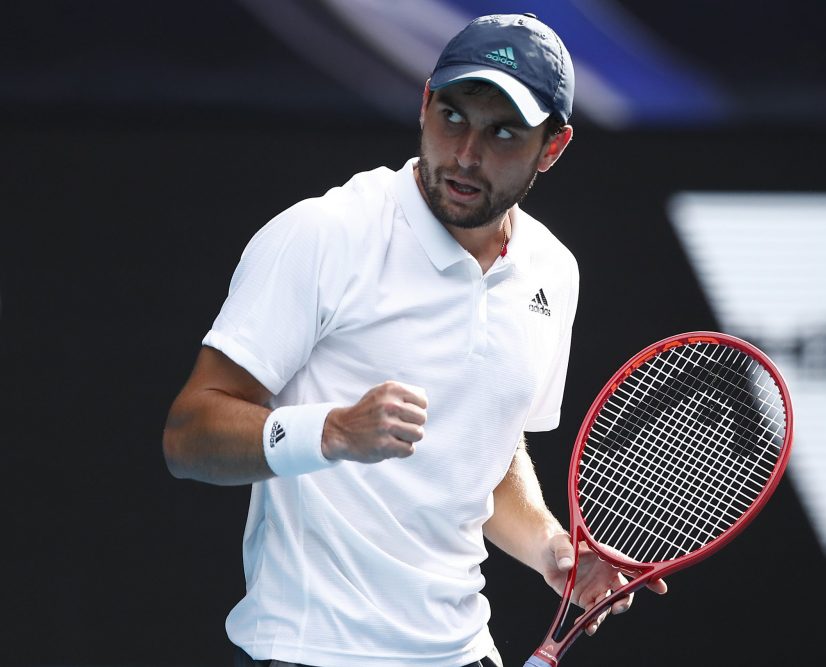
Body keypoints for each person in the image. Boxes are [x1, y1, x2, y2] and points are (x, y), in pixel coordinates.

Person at [163, 13, 666, 667]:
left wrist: (550, 546)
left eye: (503, 132)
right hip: (309, 650)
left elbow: (485, 451)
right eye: (452, 117)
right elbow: (188, 435)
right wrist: (333, 431)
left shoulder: (552, 271)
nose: (466, 154)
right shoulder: (324, 234)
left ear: (553, 147)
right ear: (425, 103)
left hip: (461, 651)